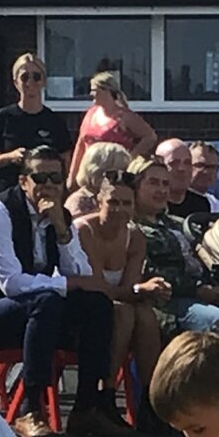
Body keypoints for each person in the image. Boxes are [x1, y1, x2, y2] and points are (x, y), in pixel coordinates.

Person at [0, 141, 124, 437]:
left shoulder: (59, 217)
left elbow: (82, 274)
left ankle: (86, 409)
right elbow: (11, 284)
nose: (49, 186)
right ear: (23, 181)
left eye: (56, 179)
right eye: (40, 179)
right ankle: (30, 410)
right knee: (47, 300)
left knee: (97, 305)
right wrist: (68, 285)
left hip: (31, 312)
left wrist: (62, 230)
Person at [75, 170, 163, 413]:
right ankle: (107, 394)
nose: (119, 209)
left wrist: (145, 289)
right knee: (124, 312)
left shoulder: (134, 236)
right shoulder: (84, 230)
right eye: (113, 202)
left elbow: (128, 288)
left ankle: (150, 401)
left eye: (126, 203)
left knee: (145, 314)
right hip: (79, 308)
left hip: (113, 305)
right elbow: (98, 288)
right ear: (98, 202)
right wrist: (138, 289)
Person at [130, 152, 219, 346]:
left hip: (208, 292)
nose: (162, 190)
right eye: (153, 183)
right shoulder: (132, 229)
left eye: (165, 184)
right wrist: (197, 290)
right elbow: (148, 271)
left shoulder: (181, 224)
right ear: (135, 187)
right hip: (168, 301)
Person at [0, 54, 72, 195]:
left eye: (36, 77)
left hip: (43, 192)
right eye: (24, 77)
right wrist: (10, 157)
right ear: (16, 82)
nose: (30, 83)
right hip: (7, 190)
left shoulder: (55, 121)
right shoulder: (3, 117)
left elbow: (66, 162)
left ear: (43, 81)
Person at [67, 72, 154, 187]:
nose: (91, 94)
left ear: (107, 91)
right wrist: (72, 176)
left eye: (94, 90)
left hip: (113, 178)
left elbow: (150, 137)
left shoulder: (124, 116)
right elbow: (81, 144)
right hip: (89, 175)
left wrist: (130, 158)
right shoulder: (90, 114)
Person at [151, 139, 216, 223]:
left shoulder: (201, 204)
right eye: (174, 163)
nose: (182, 168)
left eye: (187, 163)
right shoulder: (153, 204)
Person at [66, 140, 133, 220]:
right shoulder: (79, 200)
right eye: (114, 174)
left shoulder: (120, 198)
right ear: (96, 172)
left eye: (124, 174)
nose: (120, 179)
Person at [188, 141, 219, 212]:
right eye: (200, 165)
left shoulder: (216, 206)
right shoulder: (173, 199)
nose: (206, 171)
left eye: (212, 167)